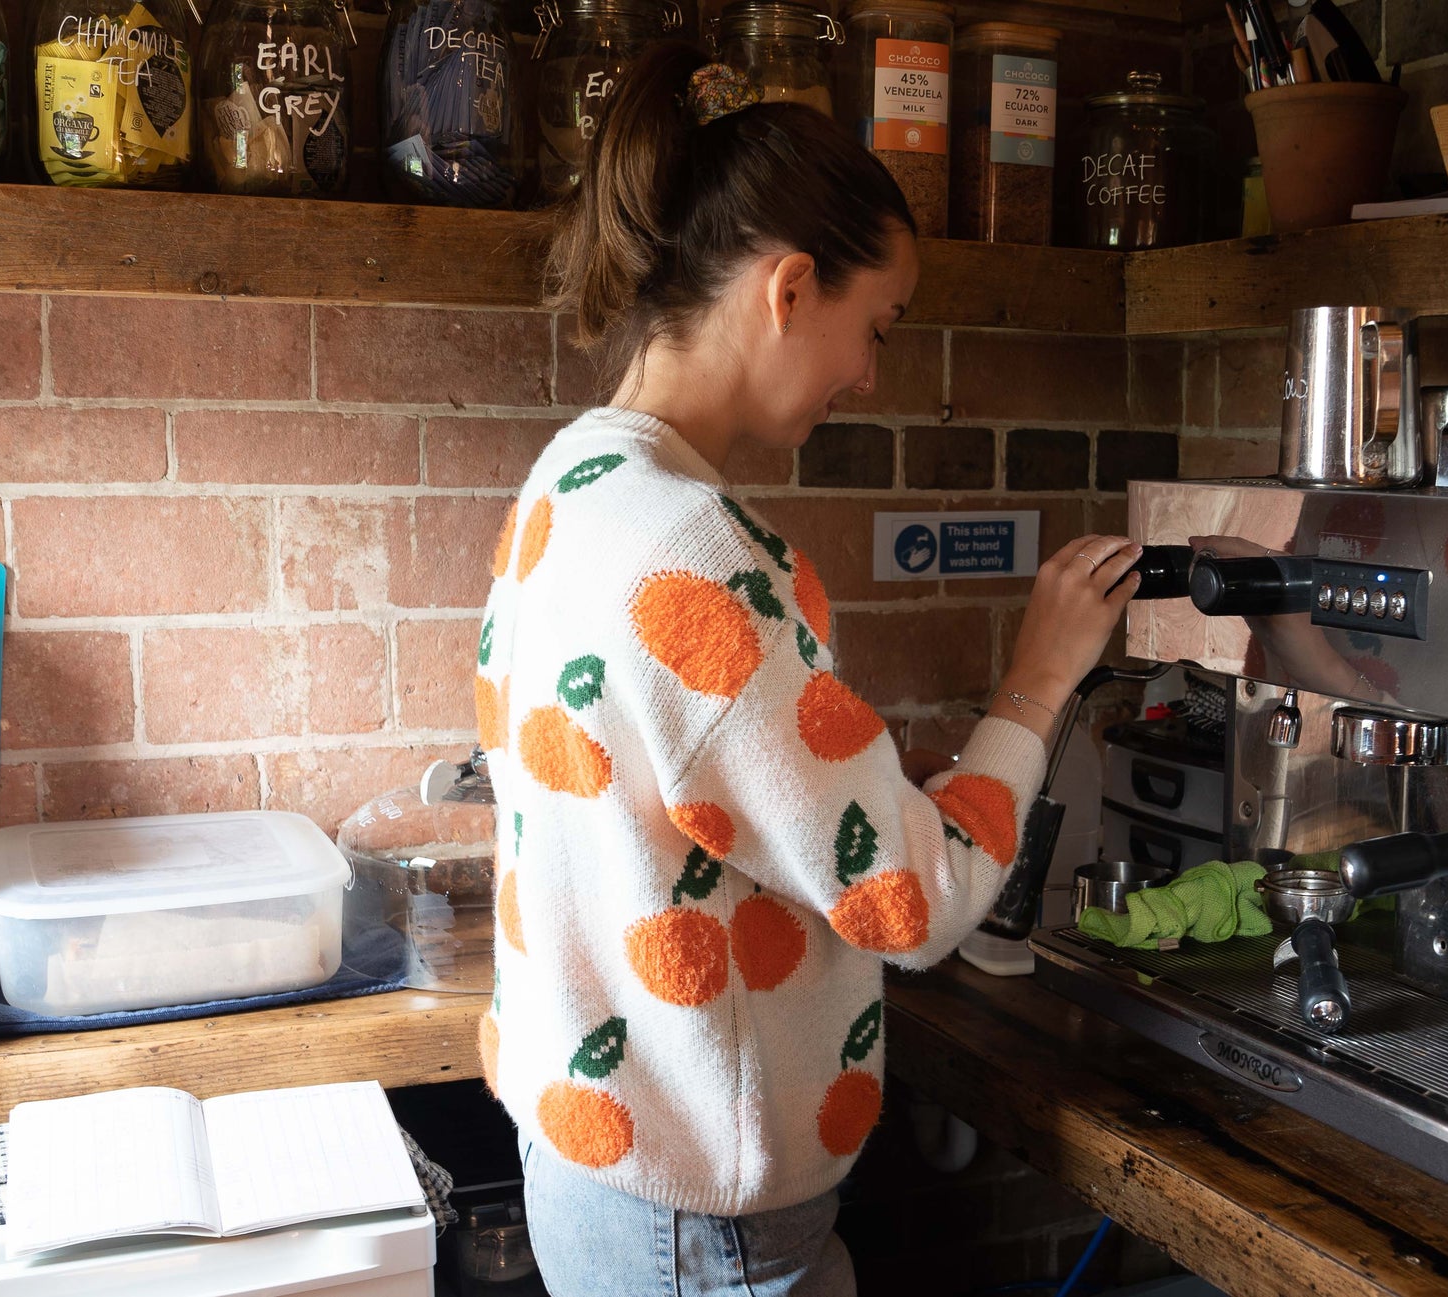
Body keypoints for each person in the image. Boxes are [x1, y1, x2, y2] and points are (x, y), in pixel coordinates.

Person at [474, 41, 1141, 1296]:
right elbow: (914, 905)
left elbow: (704, 811)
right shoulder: (694, 552)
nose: (870, 375)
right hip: (700, 1222)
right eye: (873, 327)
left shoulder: (572, 482)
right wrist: (1038, 684)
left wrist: (890, 793)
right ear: (789, 289)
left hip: (601, 1171)